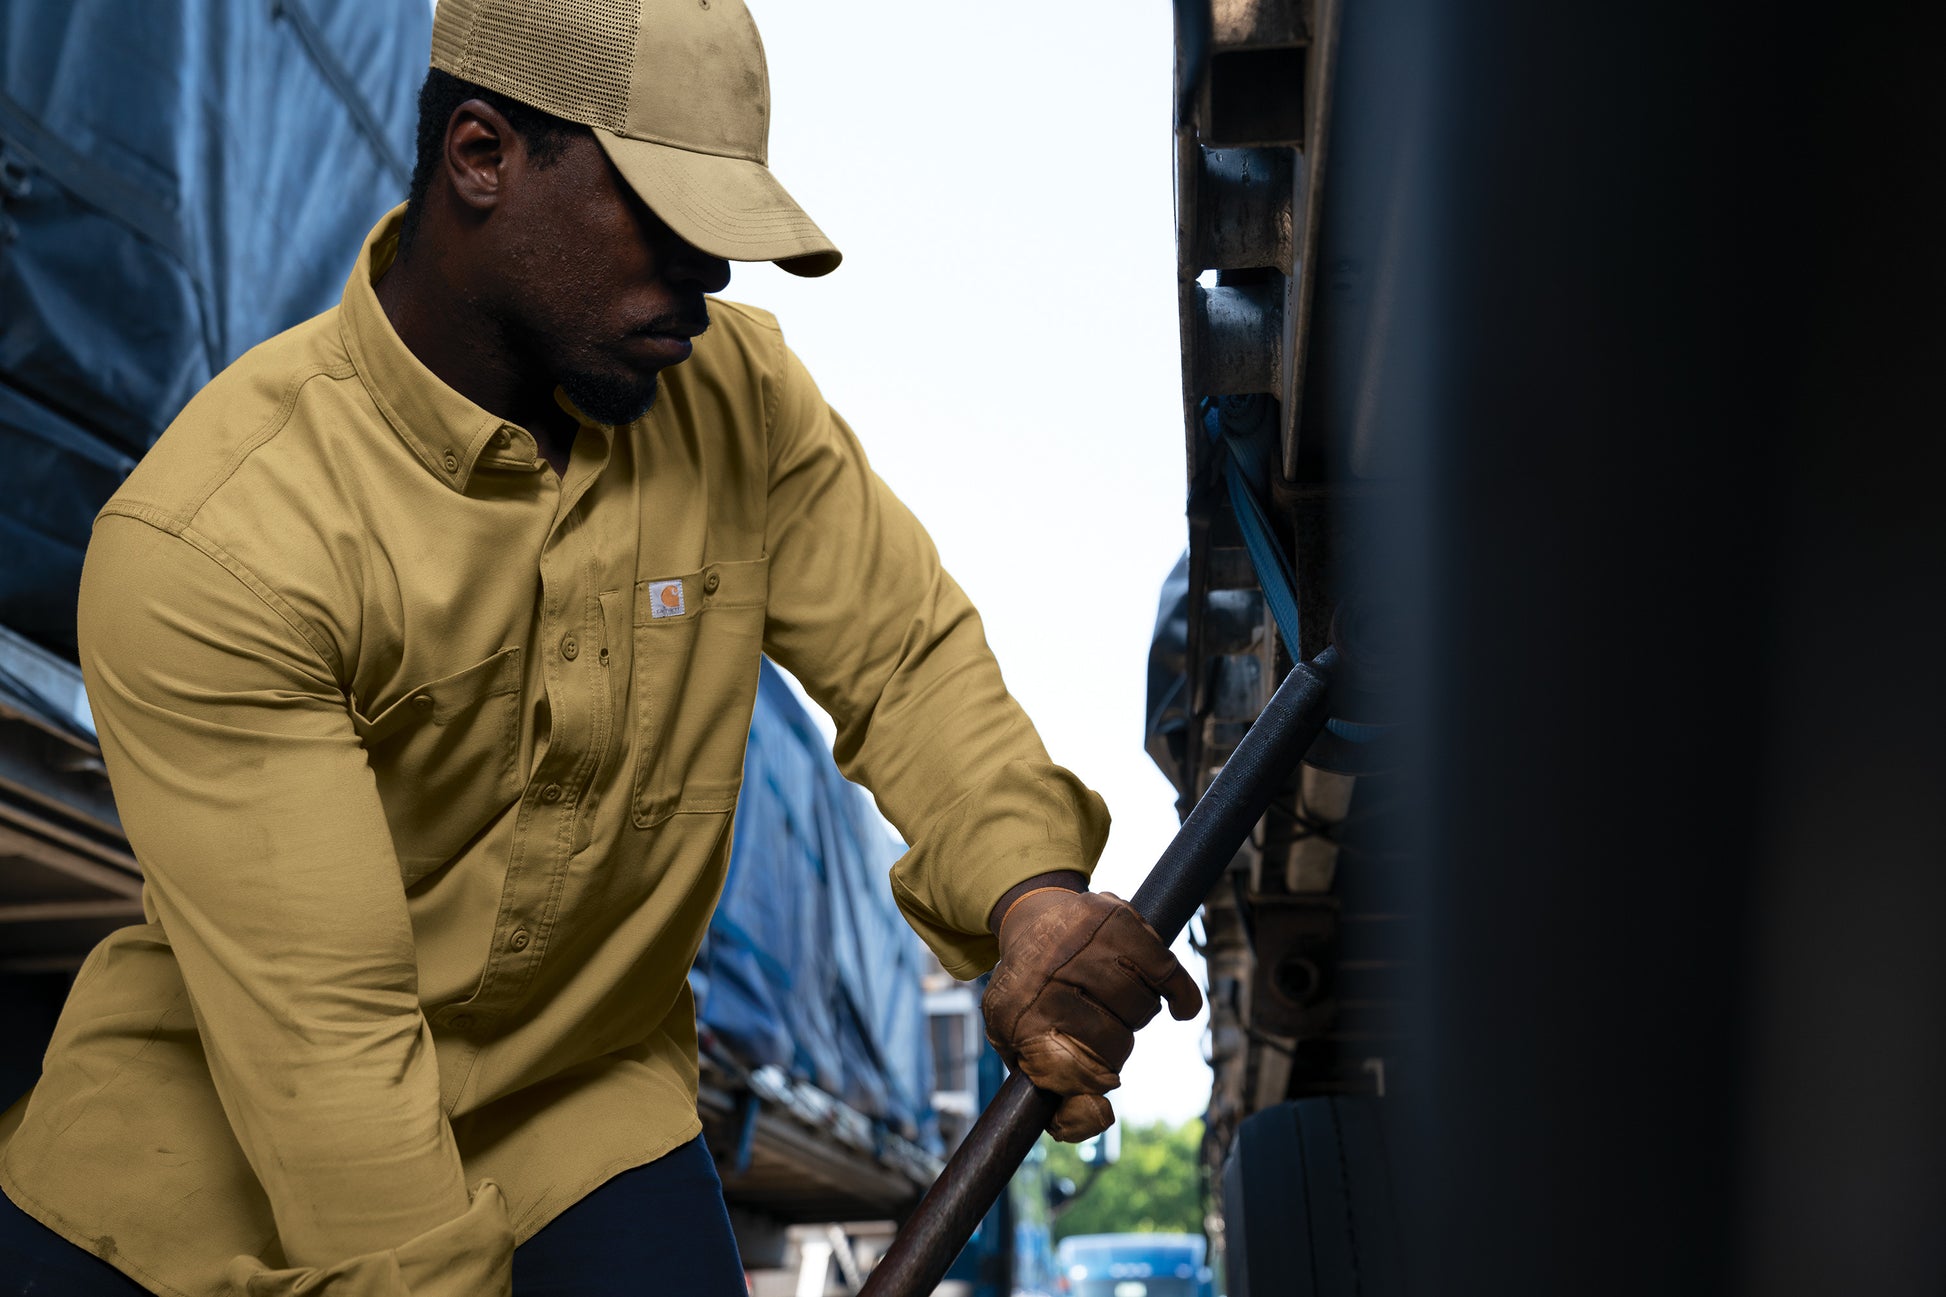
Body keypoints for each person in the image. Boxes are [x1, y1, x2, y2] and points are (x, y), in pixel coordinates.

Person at [0, 1, 1201, 1293]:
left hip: (582, 1107)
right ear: (481, 155)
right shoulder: (218, 541)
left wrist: (1030, 896)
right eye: (667, 219)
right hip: (223, 1176)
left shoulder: (737, 402)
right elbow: (331, 1053)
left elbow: (905, 663)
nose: (713, 276)